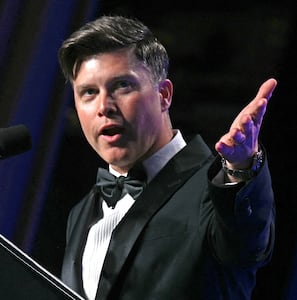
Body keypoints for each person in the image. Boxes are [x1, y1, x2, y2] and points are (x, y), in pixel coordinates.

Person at [58, 15, 277, 300]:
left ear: (163, 95)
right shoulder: (81, 212)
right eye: (89, 92)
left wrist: (241, 167)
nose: (104, 106)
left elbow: (249, 240)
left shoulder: (214, 190)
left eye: (122, 86)